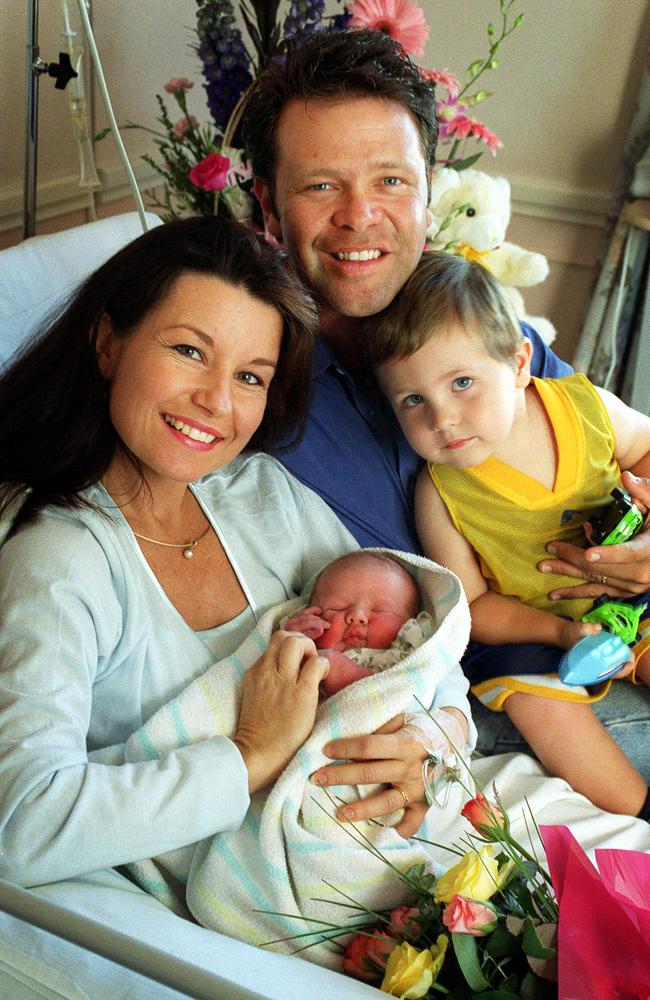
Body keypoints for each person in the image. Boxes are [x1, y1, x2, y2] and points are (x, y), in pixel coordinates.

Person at [240, 26, 650, 782]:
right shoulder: (253, 379)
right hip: (491, 681)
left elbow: (610, 436)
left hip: (614, 612)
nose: (360, 216)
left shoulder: (475, 323)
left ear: (429, 191)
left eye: (390, 181)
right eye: (321, 185)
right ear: (268, 204)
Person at [0, 216, 363, 890]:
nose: (216, 401)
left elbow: (404, 619)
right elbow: (22, 820)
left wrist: (428, 741)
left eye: (251, 377)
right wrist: (252, 753)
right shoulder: (58, 560)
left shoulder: (260, 493)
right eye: (190, 352)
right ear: (108, 342)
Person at [365, 250, 650, 818]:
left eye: (463, 383)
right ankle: (638, 812)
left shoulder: (585, 409)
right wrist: (560, 634)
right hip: (542, 633)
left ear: (521, 362)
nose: (441, 418)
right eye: (412, 400)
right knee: (531, 700)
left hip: (636, 587)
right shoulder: (441, 492)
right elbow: (471, 604)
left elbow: (646, 447)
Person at [285, 550, 466, 707]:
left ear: (411, 622)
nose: (357, 616)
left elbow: (416, 694)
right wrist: (294, 641)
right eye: (337, 608)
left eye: (381, 610)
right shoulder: (311, 652)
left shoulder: (411, 649)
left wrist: (351, 675)